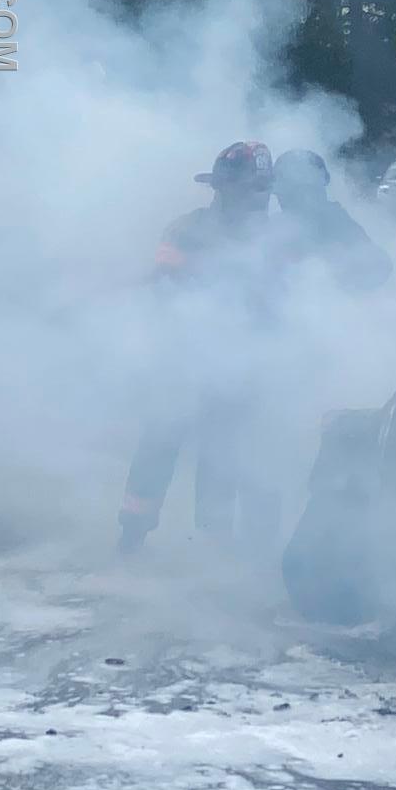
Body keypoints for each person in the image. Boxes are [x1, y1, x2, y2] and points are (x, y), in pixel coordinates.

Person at [117, 141, 274, 555]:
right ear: (222, 187)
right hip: (182, 359)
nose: (256, 199)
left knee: (224, 453)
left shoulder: (274, 239)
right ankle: (131, 537)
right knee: (160, 443)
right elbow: (162, 288)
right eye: (249, 188)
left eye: (261, 190)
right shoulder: (187, 230)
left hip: (241, 364)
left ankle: (213, 541)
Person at [272, 149, 392, 290]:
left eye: (286, 189)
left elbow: (379, 264)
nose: (279, 196)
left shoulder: (335, 222)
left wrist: (343, 282)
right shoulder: (277, 226)